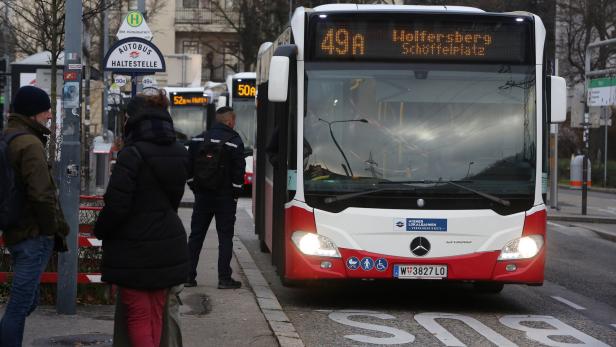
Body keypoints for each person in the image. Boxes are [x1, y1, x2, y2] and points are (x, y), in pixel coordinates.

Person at [94, 90, 189, 347]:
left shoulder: (132, 154)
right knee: (156, 314)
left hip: (134, 248)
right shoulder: (179, 151)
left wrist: (100, 229)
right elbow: (173, 200)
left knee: (137, 315)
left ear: (132, 119)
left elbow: (117, 204)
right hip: (168, 243)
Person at [0, 86, 69, 347]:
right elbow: (42, 193)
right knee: (19, 306)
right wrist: (52, 229)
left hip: (15, 230)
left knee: (28, 300)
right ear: (33, 113)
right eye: (46, 110)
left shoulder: (8, 137)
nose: (50, 115)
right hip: (33, 234)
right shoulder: (30, 144)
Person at [186, 106, 245, 289]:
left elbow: (188, 166)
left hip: (203, 195)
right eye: (233, 121)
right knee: (225, 237)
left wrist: (195, 187)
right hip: (225, 198)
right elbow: (238, 172)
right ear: (229, 121)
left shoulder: (198, 138)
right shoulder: (234, 141)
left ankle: (188, 276)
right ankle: (224, 279)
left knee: (196, 236)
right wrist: (235, 195)